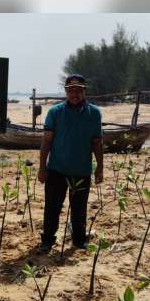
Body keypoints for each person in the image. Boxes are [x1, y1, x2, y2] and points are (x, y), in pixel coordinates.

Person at [37, 73, 103, 253]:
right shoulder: (55, 112)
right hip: (56, 169)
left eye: (78, 90)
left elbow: (97, 142)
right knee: (52, 207)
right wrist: (42, 168)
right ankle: (48, 240)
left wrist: (100, 168)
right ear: (66, 92)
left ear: (84, 91)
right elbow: (46, 142)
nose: (74, 94)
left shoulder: (94, 113)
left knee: (79, 209)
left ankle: (79, 240)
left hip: (81, 170)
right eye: (70, 90)